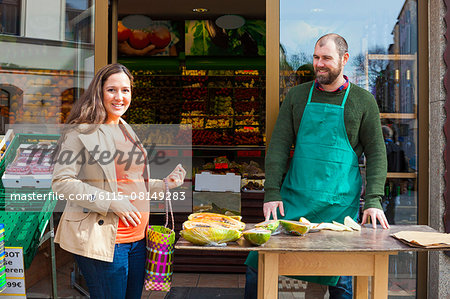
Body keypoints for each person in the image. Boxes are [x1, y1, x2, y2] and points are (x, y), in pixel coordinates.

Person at [244, 33, 390, 299]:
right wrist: (272, 192)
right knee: (258, 263)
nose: (319, 64)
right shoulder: (297, 97)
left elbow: (377, 153)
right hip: (294, 201)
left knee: (340, 280)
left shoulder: (363, 101)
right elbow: (278, 145)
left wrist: (373, 200)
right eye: (316, 57)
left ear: (344, 60)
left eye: (326, 58)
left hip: (339, 208)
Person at [52, 63, 186, 299]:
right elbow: (62, 182)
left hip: (137, 239)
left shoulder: (126, 128)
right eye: (112, 90)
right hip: (105, 241)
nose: (120, 97)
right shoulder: (81, 132)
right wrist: (112, 202)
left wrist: (165, 184)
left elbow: (129, 181)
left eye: (126, 90)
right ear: (99, 91)